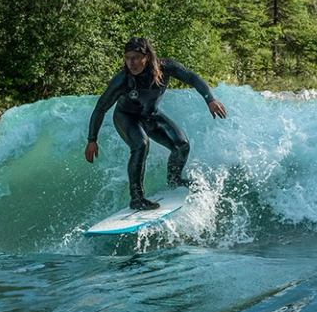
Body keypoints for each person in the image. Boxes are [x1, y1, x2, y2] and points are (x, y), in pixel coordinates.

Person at [84, 37, 228, 210]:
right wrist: (92, 139)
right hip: (126, 117)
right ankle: (137, 198)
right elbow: (100, 108)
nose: (131, 62)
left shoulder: (165, 68)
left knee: (181, 145)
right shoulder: (122, 80)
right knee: (141, 145)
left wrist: (210, 100)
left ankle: (174, 180)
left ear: (147, 57)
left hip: (149, 115)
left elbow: (192, 78)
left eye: (136, 57)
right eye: (128, 58)